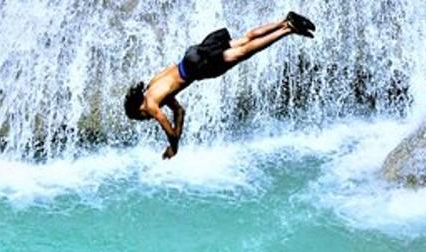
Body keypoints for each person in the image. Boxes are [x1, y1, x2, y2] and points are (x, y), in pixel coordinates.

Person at [124, 11, 315, 158]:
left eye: (142, 118)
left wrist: (173, 148)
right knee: (245, 39)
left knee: (245, 51)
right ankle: (283, 21)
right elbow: (179, 112)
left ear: (138, 109)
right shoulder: (152, 87)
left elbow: (169, 131)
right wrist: (178, 133)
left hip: (197, 67)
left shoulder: (150, 106)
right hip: (192, 55)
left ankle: (288, 28)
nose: (146, 118)